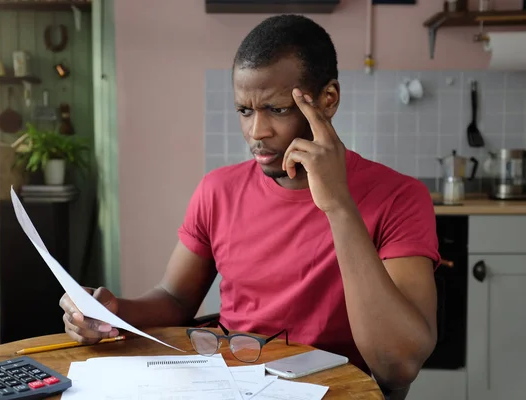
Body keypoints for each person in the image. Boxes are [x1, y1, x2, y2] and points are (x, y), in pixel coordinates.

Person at [60, 14, 439, 393]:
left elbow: (398, 364)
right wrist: (113, 311)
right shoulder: (218, 191)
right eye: (244, 111)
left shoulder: (399, 198)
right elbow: (175, 298)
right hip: (231, 385)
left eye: (277, 110)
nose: (257, 132)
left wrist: (339, 205)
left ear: (328, 100)